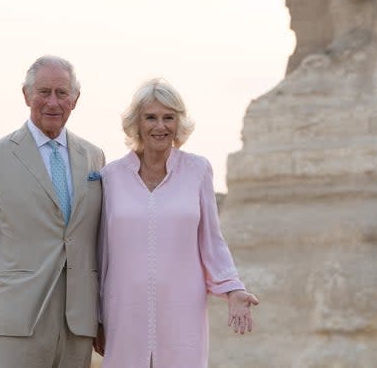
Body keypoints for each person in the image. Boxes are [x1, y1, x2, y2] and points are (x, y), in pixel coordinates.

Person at [96, 77, 258, 367]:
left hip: (183, 311)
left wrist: (233, 289)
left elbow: (211, 240)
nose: (160, 126)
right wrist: (94, 315)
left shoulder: (198, 170)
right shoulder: (110, 176)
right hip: (123, 310)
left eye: (168, 117)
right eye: (151, 118)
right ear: (137, 123)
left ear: (178, 122)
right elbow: (101, 252)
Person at [0, 55, 106, 368]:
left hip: (78, 321)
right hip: (15, 318)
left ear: (75, 99)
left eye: (62, 93)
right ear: (26, 95)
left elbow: (99, 241)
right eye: (43, 92)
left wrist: (101, 313)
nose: (52, 102)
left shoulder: (95, 158)